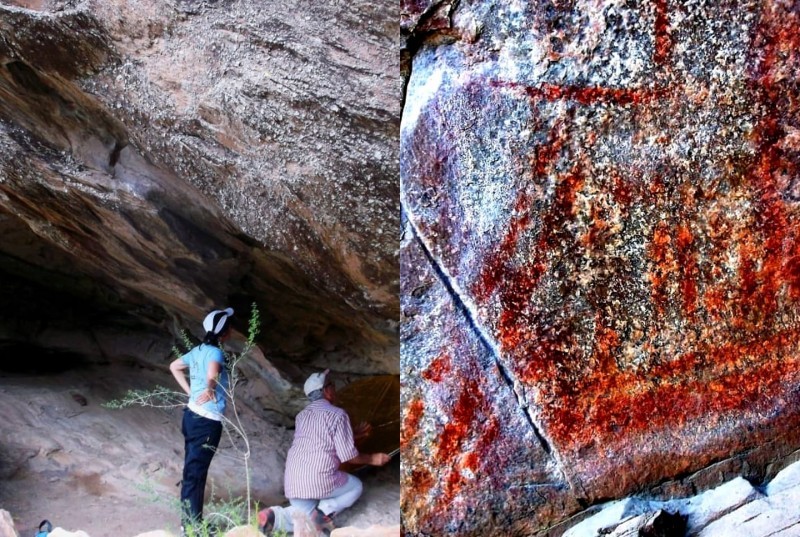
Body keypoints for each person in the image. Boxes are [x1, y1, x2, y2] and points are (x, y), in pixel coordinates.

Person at [258, 369, 391, 534]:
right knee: (355, 487)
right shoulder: (337, 414)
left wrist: (352, 434)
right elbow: (349, 457)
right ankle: (324, 512)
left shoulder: (302, 416)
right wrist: (373, 459)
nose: (334, 388)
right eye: (332, 385)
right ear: (327, 391)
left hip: (293, 480)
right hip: (320, 480)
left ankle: (276, 517)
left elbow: (320, 440)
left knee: (304, 514)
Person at [169, 307, 234, 532]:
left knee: (192, 471)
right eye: (230, 326)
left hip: (191, 415)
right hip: (206, 421)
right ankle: (191, 528)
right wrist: (210, 387)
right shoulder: (215, 353)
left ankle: (191, 522)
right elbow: (214, 370)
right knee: (195, 474)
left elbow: (174, 366)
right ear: (224, 333)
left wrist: (190, 392)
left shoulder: (197, 350)